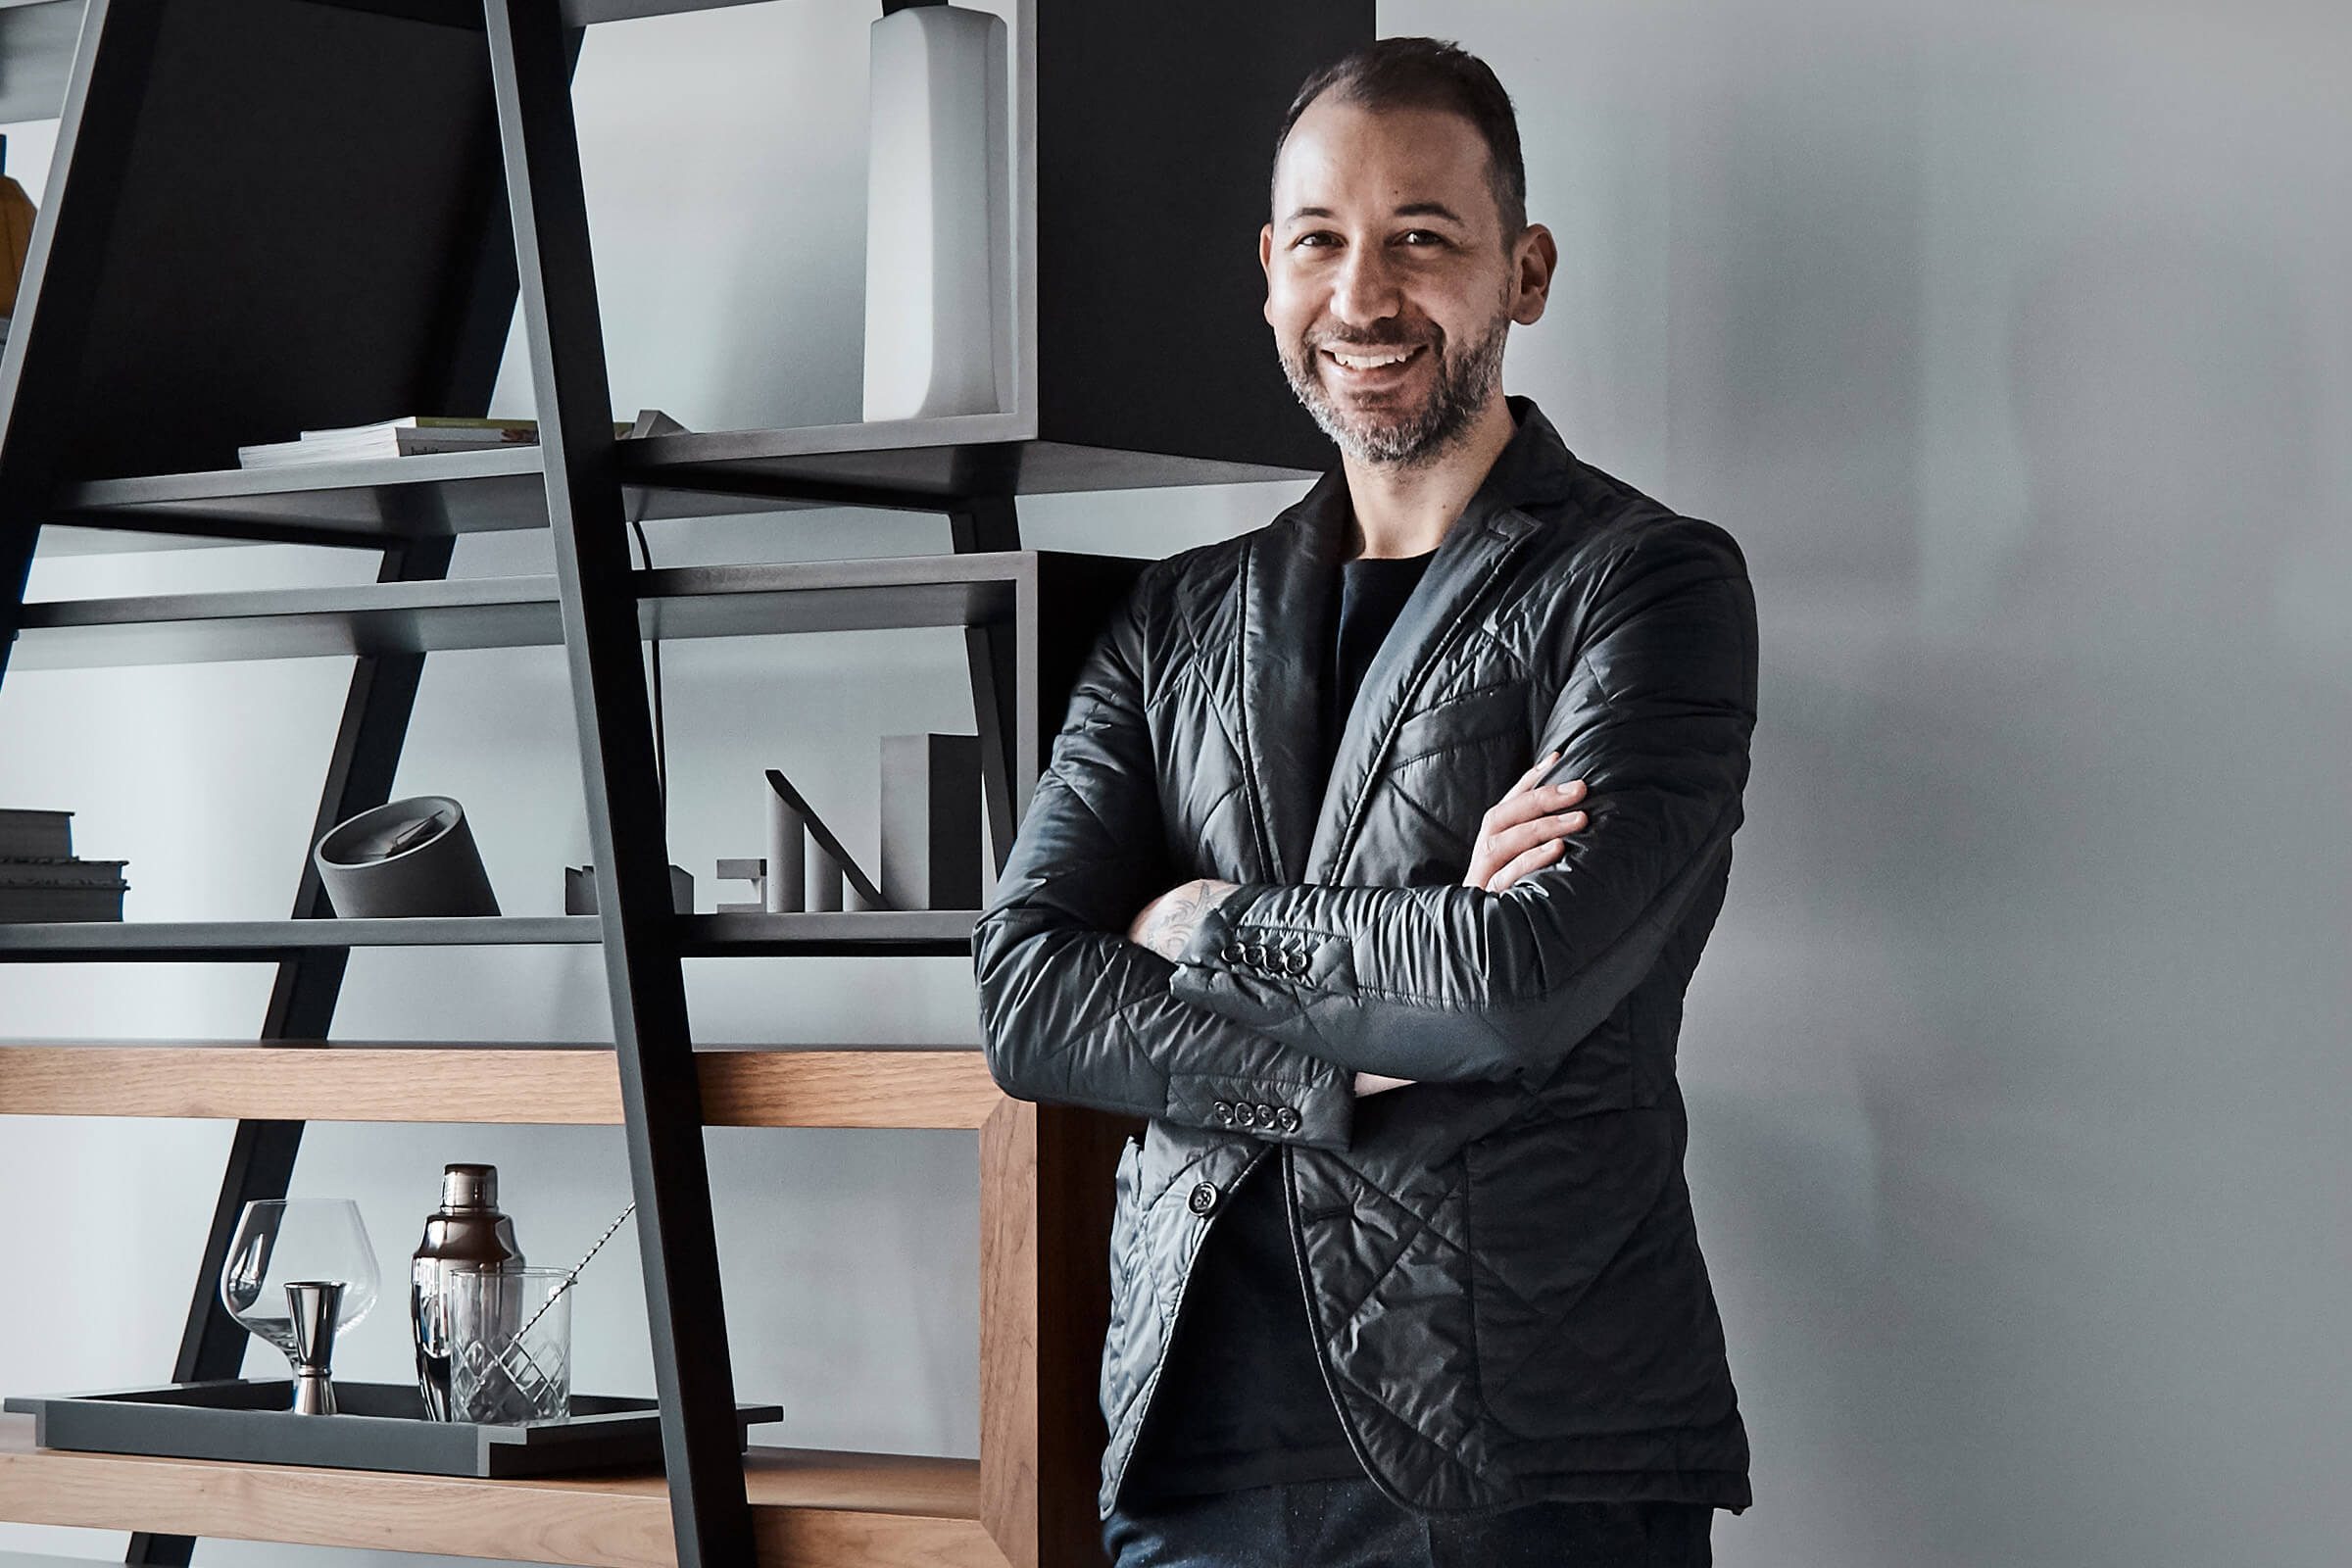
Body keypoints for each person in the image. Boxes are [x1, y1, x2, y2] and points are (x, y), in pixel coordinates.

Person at [974, 36, 1755, 1568]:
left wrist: (1196, 918)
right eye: (1323, 241)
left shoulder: (1647, 586)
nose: (1365, 295)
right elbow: (1030, 993)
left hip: (1524, 1457)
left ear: (1523, 271)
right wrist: (1345, 1050)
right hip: (1189, 1455)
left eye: (1422, 239)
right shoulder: (1172, 620)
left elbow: (1514, 983)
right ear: (1271, 273)